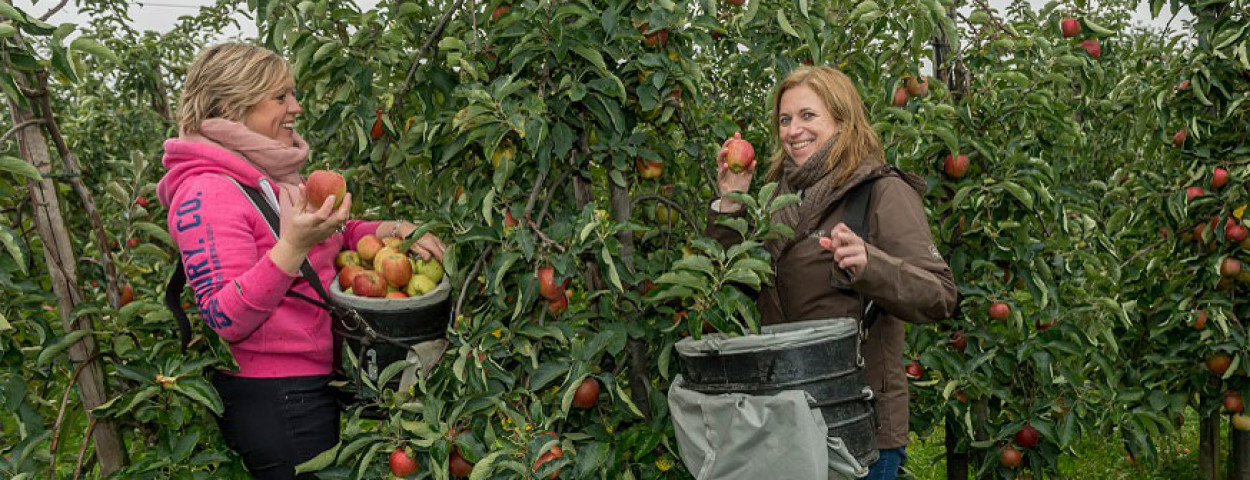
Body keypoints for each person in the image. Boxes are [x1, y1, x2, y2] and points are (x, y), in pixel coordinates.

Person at [156, 42, 447, 479]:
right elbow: (223, 316)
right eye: (280, 97)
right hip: (274, 396)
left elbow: (330, 238)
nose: (296, 107)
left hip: (311, 382)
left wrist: (386, 230)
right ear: (232, 106)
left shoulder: (272, 176)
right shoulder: (207, 191)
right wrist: (292, 245)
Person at [707, 65, 958, 479]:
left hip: (856, 426)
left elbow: (940, 295)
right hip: (782, 422)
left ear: (843, 120)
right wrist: (731, 204)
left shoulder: (880, 191)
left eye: (808, 115)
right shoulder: (774, 198)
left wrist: (872, 265)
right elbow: (731, 293)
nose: (793, 130)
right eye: (785, 119)